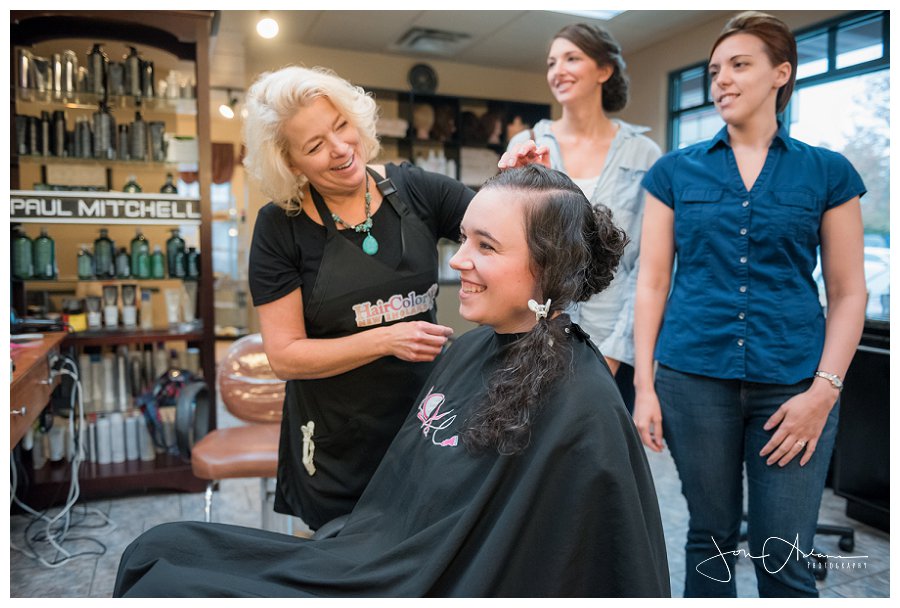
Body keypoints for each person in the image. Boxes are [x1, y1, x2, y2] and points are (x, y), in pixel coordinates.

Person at [113, 165, 670, 598]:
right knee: (159, 547)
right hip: (377, 555)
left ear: (549, 265)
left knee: (170, 580)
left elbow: (583, 566)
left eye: (487, 246)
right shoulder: (470, 349)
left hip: (421, 583)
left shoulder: (581, 403)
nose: (457, 263)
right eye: (465, 240)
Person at [633, 12, 867, 598]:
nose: (722, 81)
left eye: (740, 65)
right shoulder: (673, 173)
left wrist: (824, 391)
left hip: (794, 384)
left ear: (780, 74)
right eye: (715, 71)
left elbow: (847, 292)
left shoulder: (828, 172)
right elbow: (653, 281)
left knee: (781, 553)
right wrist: (644, 385)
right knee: (709, 538)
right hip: (693, 378)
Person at [244, 66, 474, 530]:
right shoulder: (279, 228)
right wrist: (387, 339)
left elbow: (499, 225)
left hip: (423, 427)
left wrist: (519, 179)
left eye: (341, 126)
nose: (340, 149)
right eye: (314, 146)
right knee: (338, 567)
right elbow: (285, 357)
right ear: (290, 164)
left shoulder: (417, 189)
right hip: (335, 445)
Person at [500, 23, 661, 411]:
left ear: (604, 70)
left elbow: (644, 267)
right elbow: (511, 242)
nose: (558, 70)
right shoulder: (527, 146)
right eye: (552, 61)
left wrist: (617, 352)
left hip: (615, 342)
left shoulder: (644, 154)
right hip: (537, 332)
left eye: (572, 58)